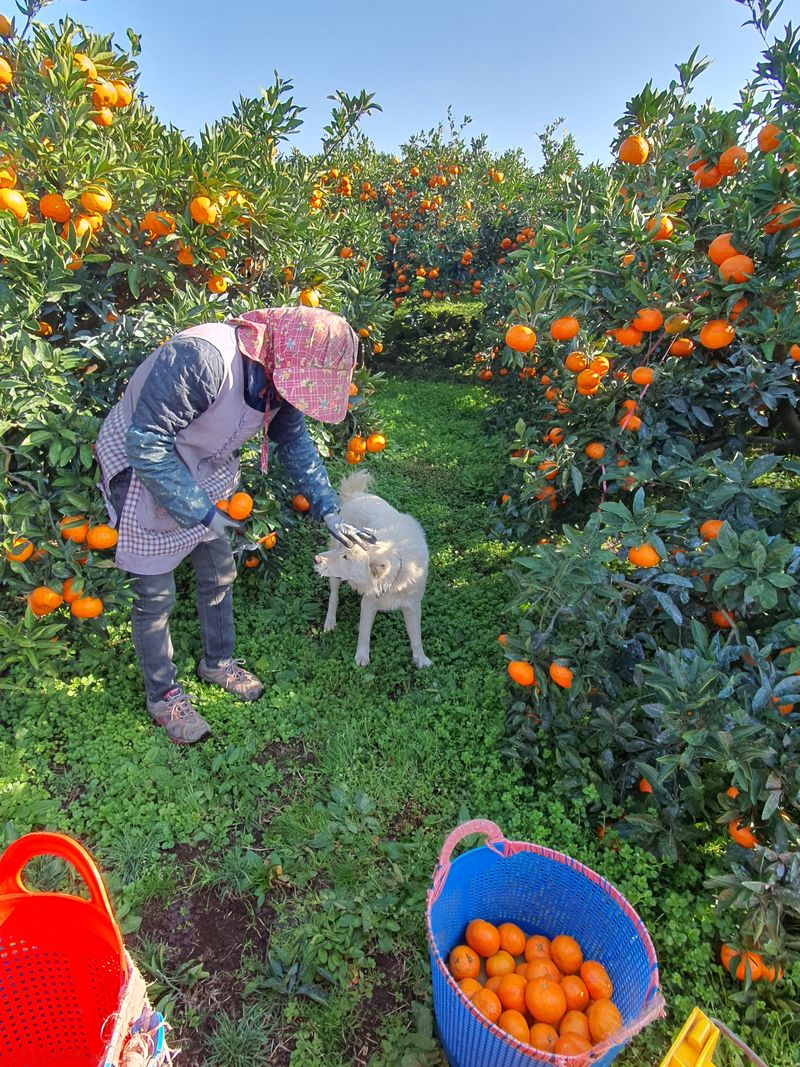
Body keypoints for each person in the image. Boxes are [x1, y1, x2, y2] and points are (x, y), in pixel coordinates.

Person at [95, 306, 375, 745]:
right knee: (155, 593)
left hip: (204, 465)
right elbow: (147, 442)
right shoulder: (202, 359)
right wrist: (203, 511)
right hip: (147, 463)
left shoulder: (278, 380)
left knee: (219, 569)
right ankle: (163, 693)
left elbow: (294, 440)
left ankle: (217, 662)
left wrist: (329, 510)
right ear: (277, 355)